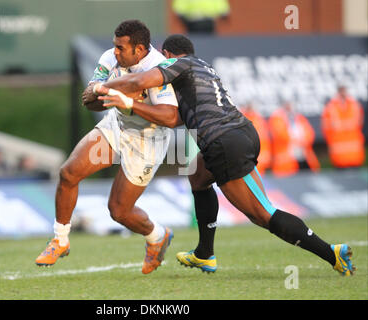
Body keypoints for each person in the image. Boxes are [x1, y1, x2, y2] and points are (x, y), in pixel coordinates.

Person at [94, 34, 355, 276]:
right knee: (197, 176)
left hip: (224, 141)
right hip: (235, 133)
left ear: (168, 54)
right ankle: (205, 254)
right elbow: (176, 118)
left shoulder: (178, 64)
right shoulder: (202, 67)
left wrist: (102, 88)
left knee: (262, 214)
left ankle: (331, 253)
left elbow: (139, 81)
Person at [35, 20, 179, 274]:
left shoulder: (157, 69)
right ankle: (60, 239)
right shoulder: (109, 58)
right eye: (115, 46)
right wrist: (107, 97)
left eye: (121, 48)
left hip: (147, 139)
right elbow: (90, 99)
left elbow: (169, 117)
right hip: (116, 125)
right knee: (68, 173)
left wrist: (130, 103)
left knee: (119, 211)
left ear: (140, 49)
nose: (115, 52)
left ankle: (158, 236)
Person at [269, 102, 320, 177]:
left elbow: (309, 133)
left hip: (304, 157)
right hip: (287, 161)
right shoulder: (277, 118)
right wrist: (296, 141)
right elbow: (281, 135)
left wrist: (303, 141)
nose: (289, 107)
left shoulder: (299, 117)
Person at [321, 85, 365, 168]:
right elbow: (326, 127)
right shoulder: (331, 107)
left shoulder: (355, 105)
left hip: (355, 152)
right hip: (339, 153)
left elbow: (360, 124)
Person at [240, 103, 271, 175]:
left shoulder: (258, 118)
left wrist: (266, 154)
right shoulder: (242, 118)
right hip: (248, 157)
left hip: (260, 155)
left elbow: (264, 137)